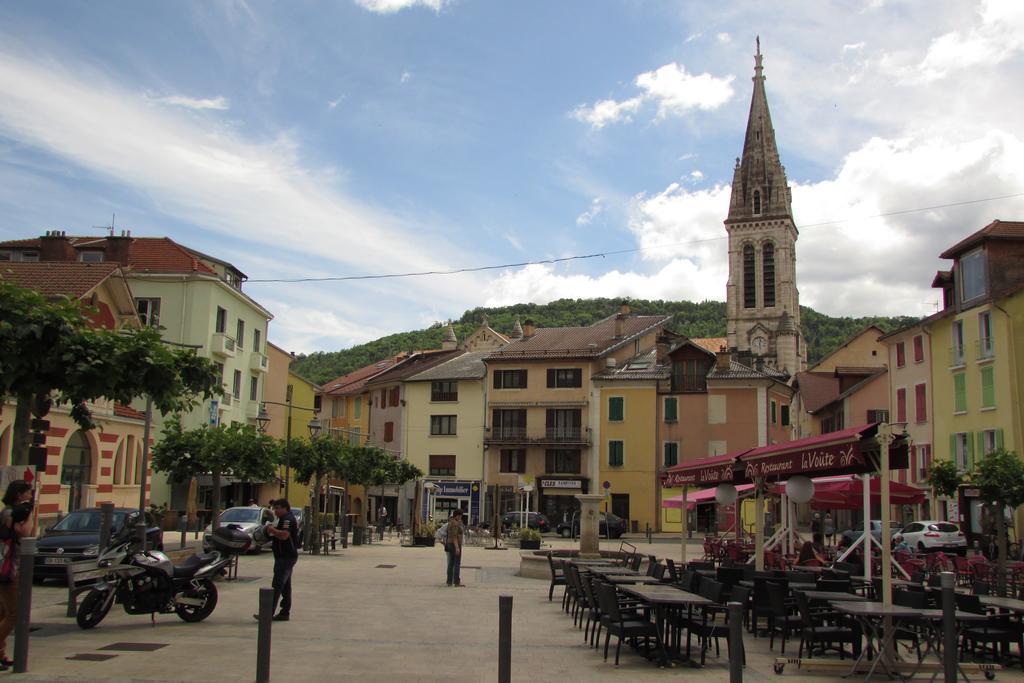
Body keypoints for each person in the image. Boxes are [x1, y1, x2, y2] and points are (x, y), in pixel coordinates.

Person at [0, 480, 34, 670]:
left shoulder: (8, 511)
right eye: (28, 492)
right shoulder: (10, 513)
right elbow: (25, 532)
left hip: (8, 565)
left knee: (4, 612)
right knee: (14, 614)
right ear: (19, 494)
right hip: (9, 568)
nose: (30, 495)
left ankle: (1, 653)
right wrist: (29, 515)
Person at [254, 498, 298, 622]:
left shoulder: (287, 519)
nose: (275, 511)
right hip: (283, 556)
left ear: (285, 508)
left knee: (277, 585)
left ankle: (267, 613)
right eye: (274, 508)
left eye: (277, 508)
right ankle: (284, 612)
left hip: (286, 557)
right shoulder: (283, 519)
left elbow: (284, 535)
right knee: (285, 586)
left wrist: (271, 529)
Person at [445, 508, 465, 587]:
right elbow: (454, 536)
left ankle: (449, 581)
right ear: (457, 515)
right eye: (460, 516)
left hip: (450, 543)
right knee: (456, 563)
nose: (460, 518)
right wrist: (457, 547)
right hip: (454, 544)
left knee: (451, 562)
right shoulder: (455, 523)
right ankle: (456, 581)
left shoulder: (450, 522)